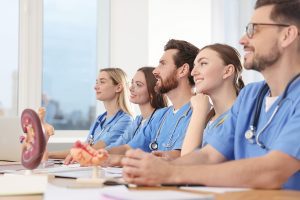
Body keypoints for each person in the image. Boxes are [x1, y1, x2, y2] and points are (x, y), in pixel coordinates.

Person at [122, 0, 300, 190]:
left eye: (254, 30)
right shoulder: (251, 95)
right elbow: (209, 155)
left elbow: (273, 171)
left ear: (287, 35)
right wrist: (153, 168)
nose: (242, 40)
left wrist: (171, 173)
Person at [70, 66, 168, 166]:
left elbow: (128, 148)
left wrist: (95, 155)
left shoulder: (160, 116)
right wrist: (96, 154)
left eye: (138, 85)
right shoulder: (138, 121)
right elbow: (121, 145)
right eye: (132, 83)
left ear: (153, 92)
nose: (131, 88)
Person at [49, 67, 134, 160]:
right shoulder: (100, 119)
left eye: (102, 82)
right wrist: (49, 155)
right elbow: (84, 148)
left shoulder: (125, 120)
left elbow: (93, 150)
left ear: (118, 87)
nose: (95, 87)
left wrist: (50, 155)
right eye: (96, 82)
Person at [181, 44, 244, 156]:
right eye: (194, 65)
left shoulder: (241, 117)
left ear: (227, 71)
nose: (193, 72)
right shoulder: (208, 120)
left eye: (203, 63)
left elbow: (187, 164)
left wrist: (199, 111)